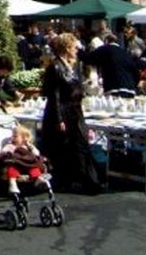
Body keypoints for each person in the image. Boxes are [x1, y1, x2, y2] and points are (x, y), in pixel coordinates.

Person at [41, 32, 102, 194]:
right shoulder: (55, 67)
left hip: (75, 110)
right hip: (63, 110)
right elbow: (54, 95)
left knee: (80, 144)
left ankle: (89, 181)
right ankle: (78, 181)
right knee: (67, 147)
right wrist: (58, 119)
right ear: (67, 48)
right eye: (74, 47)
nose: (77, 49)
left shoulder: (73, 66)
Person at [0, 125, 47, 195]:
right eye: (12, 136)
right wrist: (8, 152)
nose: (12, 138)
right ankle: (12, 183)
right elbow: (3, 153)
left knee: (34, 168)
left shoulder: (28, 147)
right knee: (11, 168)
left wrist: (30, 146)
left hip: (28, 165)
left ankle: (38, 179)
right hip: (17, 164)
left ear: (24, 138)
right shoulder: (10, 146)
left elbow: (36, 154)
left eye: (15, 136)